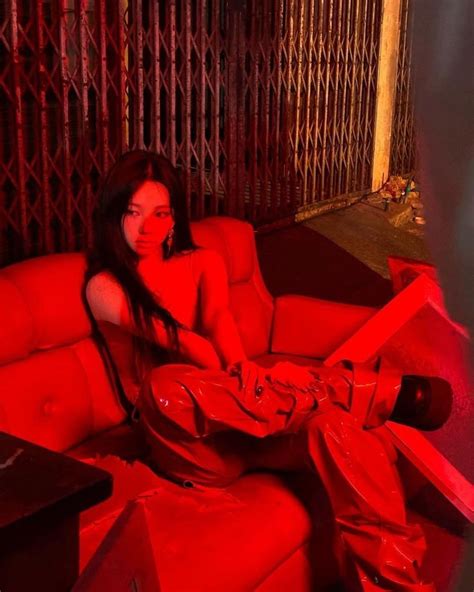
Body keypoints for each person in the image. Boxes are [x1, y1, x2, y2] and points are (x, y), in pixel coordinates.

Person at [85, 149, 442, 591]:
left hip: (245, 429)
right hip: (185, 443)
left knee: (336, 428)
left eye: (160, 214)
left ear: (174, 218)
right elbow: (192, 345)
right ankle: (355, 388)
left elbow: (218, 322)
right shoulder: (104, 287)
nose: (146, 228)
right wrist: (261, 379)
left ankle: (400, 584)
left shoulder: (202, 262)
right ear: (114, 214)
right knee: (164, 385)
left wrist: (247, 370)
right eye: (133, 212)